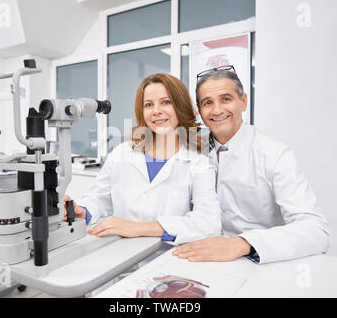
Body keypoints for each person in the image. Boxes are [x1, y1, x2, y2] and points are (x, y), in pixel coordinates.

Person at [173, 65, 330, 264]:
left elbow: (316, 230)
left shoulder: (274, 153)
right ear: (200, 112)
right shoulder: (193, 151)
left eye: (226, 99)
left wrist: (241, 243)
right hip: (199, 260)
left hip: (258, 263)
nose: (217, 109)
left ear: (243, 101)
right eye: (207, 103)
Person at [65, 73, 221, 244]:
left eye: (166, 102)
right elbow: (98, 198)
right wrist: (83, 211)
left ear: (181, 106)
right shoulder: (122, 153)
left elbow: (208, 224)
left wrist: (137, 228)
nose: (156, 111)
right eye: (148, 104)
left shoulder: (198, 162)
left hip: (166, 259)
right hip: (118, 253)